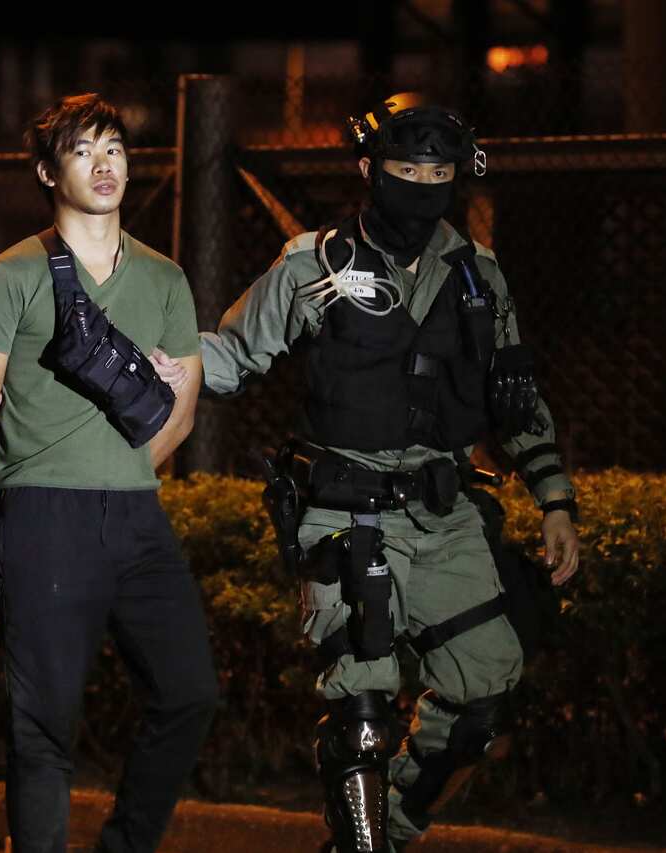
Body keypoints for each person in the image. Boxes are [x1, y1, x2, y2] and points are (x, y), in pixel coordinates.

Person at [196, 93, 582, 852]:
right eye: (407, 166)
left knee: (483, 691)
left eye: (438, 169)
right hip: (345, 508)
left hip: (446, 509)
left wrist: (554, 498)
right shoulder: (316, 263)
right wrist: (152, 371)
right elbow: (233, 353)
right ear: (370, 169)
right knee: (363, 711)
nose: (423, 180)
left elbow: (518, 400)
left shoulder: (480, 278)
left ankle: (387, 829)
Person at [0, 93, 219, 853]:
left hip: (136, 516)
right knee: (44, 725)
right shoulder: (11, 274)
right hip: (43, 519)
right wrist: (26, 486)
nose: (104, 166)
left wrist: (119, 470)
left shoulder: (165, 279)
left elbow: (184, 413)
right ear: (46, 169)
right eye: (82, 151)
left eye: (115, 150)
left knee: (190, 692)